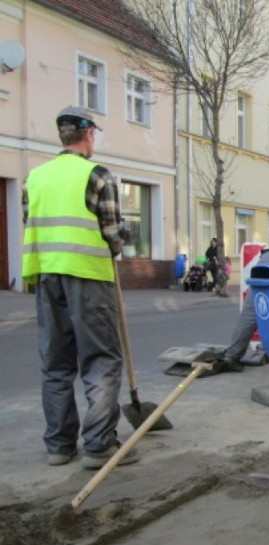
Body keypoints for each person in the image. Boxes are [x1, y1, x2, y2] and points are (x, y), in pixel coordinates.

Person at [21, 106, 139, 469]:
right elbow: (111, 236)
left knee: (56, 362)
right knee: (101, 358)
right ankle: (100, 444)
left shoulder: (35, 178)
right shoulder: (98, 175)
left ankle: (59, 445)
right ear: (88, 134)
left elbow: (30, 223)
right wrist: (126, 236)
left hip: (45, 276)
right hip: (88, 275)